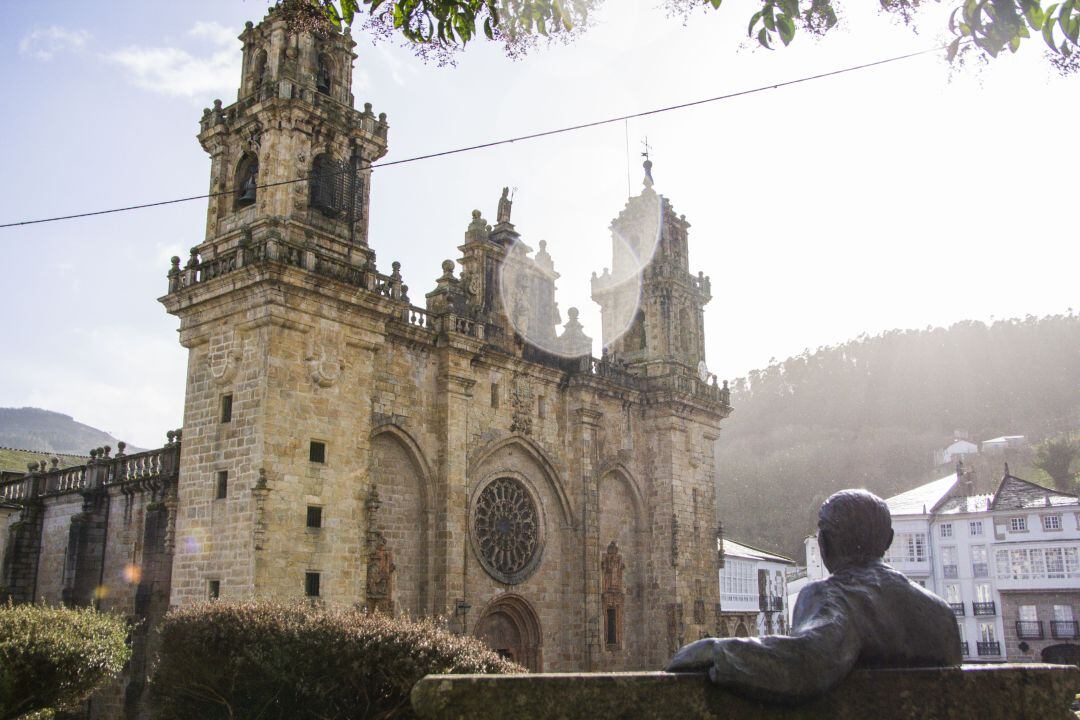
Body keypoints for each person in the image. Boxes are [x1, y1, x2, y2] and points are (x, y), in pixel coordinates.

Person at [667, 489, 961, 700]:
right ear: (889, 541)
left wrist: (715, 650)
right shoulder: (940, 612)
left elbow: (808, 661)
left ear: (824, 543)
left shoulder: (835, 596)